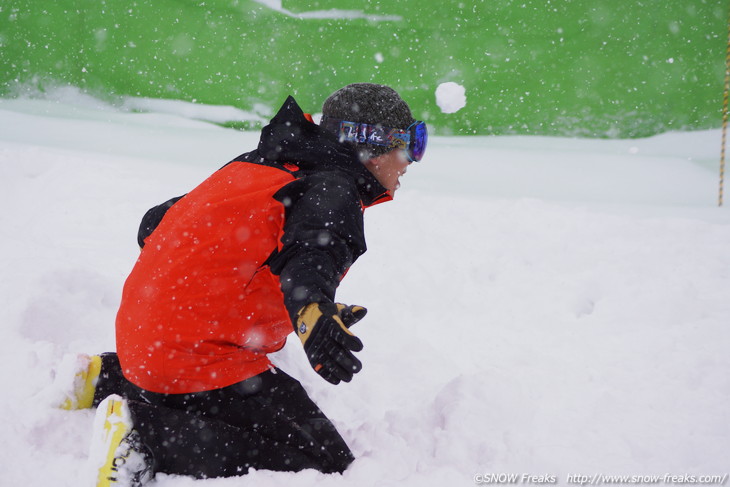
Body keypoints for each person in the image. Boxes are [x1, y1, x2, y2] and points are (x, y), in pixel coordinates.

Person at [59, 83, 427, 487]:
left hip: (143, 340)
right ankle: (145, 437)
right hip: (198, 359)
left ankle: (105, 377)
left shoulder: (263, 164)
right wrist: (310, 308)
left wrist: (303, 304)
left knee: (236, 400)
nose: (411, 161)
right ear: (372, 146)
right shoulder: (334, 189)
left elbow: (156, 222)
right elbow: (313, 254)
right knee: (323, 461)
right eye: (411, 144)